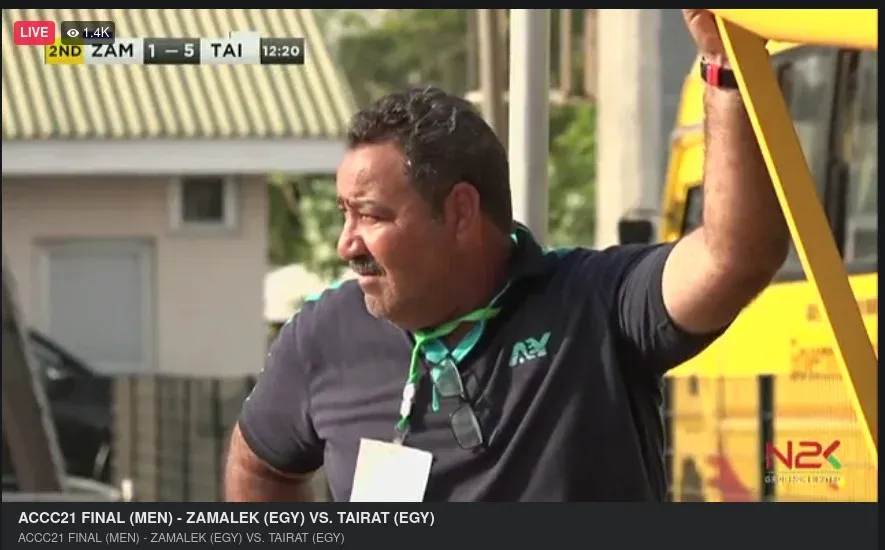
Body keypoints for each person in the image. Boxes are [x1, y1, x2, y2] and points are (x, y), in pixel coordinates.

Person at [224, 9, 789, 502]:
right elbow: (260, 464)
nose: (346, 243)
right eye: (344, 214)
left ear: (461, 212)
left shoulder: (594, 304)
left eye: (371, 216)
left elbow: (734, 258)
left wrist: (725, 68)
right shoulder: (322, 336)